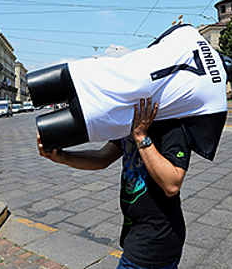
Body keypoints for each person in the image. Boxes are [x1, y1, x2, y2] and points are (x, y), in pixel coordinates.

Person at [37, 98, 190, 269]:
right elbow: (102, 157)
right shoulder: (130, 124)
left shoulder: (170, 125)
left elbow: (172, 184)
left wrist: (141, 136)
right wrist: (62, 157)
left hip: (156, 240)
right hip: (135, 234)